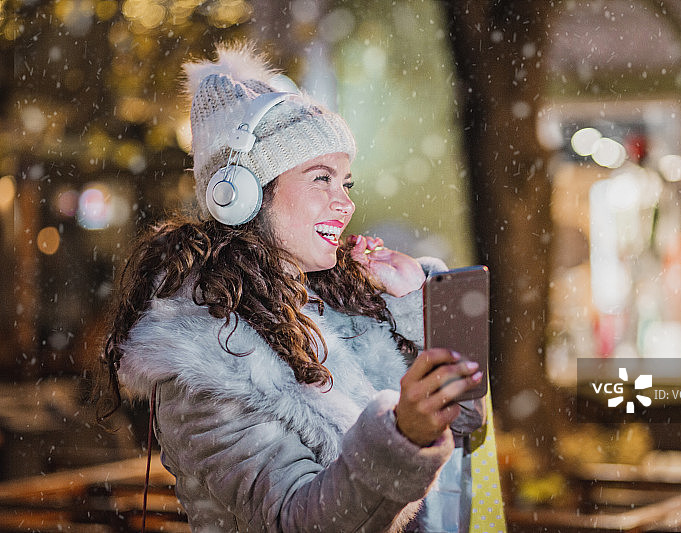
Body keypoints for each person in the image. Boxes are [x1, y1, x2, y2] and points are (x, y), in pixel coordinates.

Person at [98, 42, 485, 533]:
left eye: (347, 183)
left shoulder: (336, 310)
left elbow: (466, 421)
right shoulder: (204, 361)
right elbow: (300, 520)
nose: (343, 203)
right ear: (243, 194)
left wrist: (414, 303)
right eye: (320, 178)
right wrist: (401, 439)